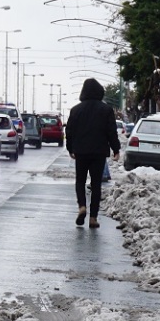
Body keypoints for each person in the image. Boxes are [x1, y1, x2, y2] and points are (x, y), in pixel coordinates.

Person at [64, 77, 120, 228]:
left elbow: (69, 131)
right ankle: (93, 218)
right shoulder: (106, 110)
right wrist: (116, 149)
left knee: (80, 181)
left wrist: (70, 148)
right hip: (99, 152)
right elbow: (111, 131)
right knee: (96, 184)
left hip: (81, 151)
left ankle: (82, 206)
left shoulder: (76, 110)